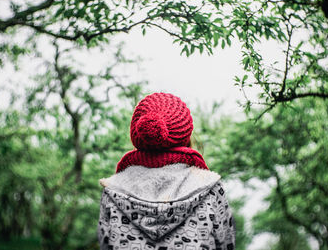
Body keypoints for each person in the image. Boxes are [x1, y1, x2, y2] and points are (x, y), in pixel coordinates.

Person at [97, 92, 235, 250]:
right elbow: (226, 244)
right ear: (185, 135)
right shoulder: (211, 188)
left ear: (137, 134)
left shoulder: (113, 192)